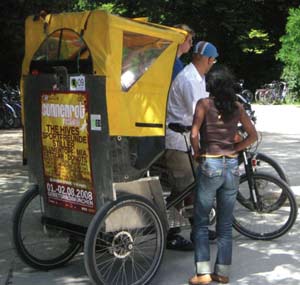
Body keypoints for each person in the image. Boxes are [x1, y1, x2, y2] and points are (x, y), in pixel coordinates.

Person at [188, 66, 258, 284]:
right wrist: (236, 149)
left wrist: (198, 153)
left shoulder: (204, 104)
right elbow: (253, 135)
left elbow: (193, 134)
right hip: (231, 167)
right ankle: (222, 273)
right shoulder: (237, 107)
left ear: (211, 86)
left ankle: (202, 274)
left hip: (211, 164)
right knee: (225, 225)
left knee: (201, 223)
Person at [165, 41, 219, 251]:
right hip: (178, 141)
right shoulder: (188, 80)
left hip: (189, 139)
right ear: (207, 59)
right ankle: (169, 234)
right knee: (182, 188)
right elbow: (200, 113)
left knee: (195, 186)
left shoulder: (198, 77)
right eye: (212, 60)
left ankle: (199, 230)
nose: (212, 64)